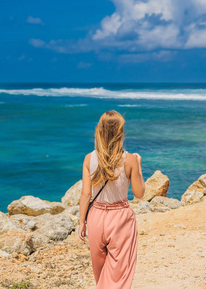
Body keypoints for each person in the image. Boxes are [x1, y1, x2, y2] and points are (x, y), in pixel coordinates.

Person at [78, 110, 146, 289]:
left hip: (96, 217)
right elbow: (139, 194)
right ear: (120, 132)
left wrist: (81, 223)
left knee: (101, 277)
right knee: (119, 276)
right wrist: (138, 166)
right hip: (120, 218)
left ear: (98, 130)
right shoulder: (129, 159)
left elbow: (86, 194)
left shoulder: (88, 159)